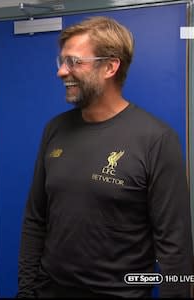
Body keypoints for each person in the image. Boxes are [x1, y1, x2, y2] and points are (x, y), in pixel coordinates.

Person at [17, 16, 193, 298]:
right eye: (61, 62)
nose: (62, 72)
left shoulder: (156, 139)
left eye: (74, 62)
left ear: (110, 66)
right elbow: (35, 220)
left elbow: (176, 246)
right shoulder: (55, 130)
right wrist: (26, 292)